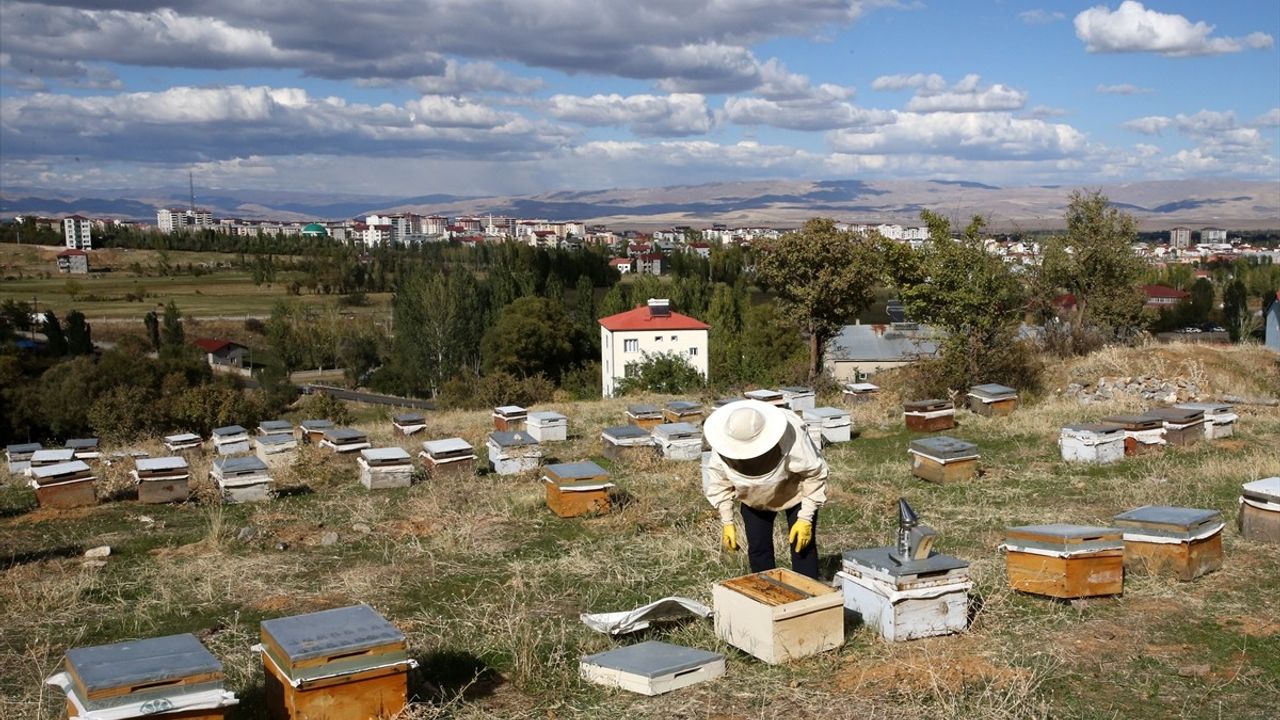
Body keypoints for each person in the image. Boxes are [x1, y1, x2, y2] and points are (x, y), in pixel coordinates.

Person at [702, 399, 828, 579]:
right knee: (758, 548)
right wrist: (727, 521)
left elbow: (814, 474)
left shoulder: (791, 435)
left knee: (802, 546)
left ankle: (810, 599)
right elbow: (720, 484)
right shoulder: (725, 444)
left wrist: (806, 517)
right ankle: (767, 597)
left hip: (795, 491)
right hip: (754, 499)